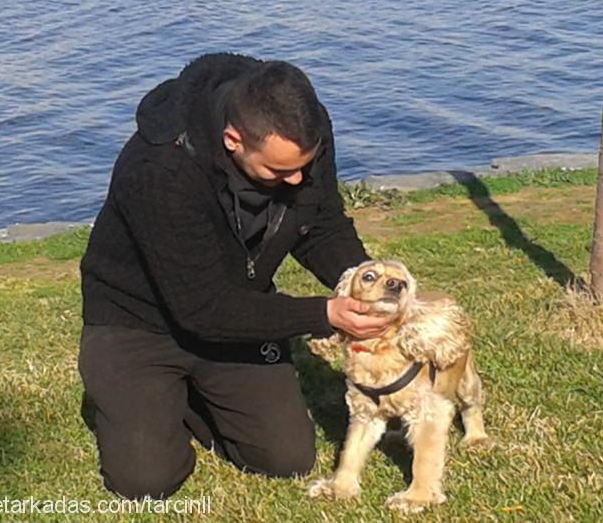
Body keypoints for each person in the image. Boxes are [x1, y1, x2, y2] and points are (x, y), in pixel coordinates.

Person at [78, 53, 394, 500]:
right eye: (280, 171)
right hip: (137, 323)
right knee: (146, 481)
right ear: (232, 139)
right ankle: (150, 396)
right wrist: (326, 314)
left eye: (305, 164)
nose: (298, 177)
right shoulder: (158, 169)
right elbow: (203, 308)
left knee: (285, 459)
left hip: (238, 309)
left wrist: (366, 282)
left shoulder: (303, 133)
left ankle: (198, 397)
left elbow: (320, 225)